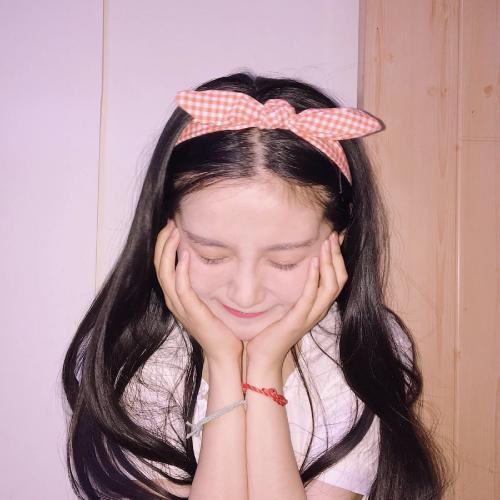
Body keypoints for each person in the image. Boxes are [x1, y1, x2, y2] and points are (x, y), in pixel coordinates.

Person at [62, 72, 450, 499]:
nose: (245, 294)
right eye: (211, 255)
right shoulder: (134, 354)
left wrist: (264, 368)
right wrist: (223, 364)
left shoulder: (359, 350)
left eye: (285, 261)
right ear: (165, 230)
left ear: (339, 240)